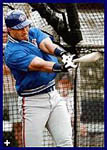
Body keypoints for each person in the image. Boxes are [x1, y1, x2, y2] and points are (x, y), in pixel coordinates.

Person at [4, 10, 76, 147]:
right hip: (32, 102)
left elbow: (46, 45)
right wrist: (61, 67)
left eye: (26, 26)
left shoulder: (33, 32)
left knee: (66, 143)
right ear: (9, 30)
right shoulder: (11, 52)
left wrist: (64, 54)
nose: (24, 30)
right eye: (19, 28)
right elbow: (39, 64)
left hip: (53, 96)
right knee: (33, 146)